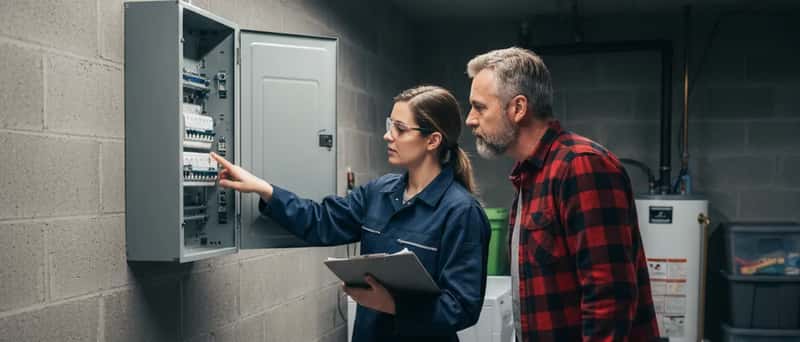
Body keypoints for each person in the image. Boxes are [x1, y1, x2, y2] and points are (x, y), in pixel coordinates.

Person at [211, 85, 490, 342]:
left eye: (400, 129)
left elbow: (462, 306)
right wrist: (264, 190)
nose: (387, 135)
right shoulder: (379, 192)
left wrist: (393, 305)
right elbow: (321, 221)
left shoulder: (461, 212)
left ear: (433, 141)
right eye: (389, 125)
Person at [464, 47, 659, 341]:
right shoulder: (528, 175)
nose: (470, 119)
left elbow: (609, 299)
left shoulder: (581, 166)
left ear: (518, 108)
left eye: (479, 107)